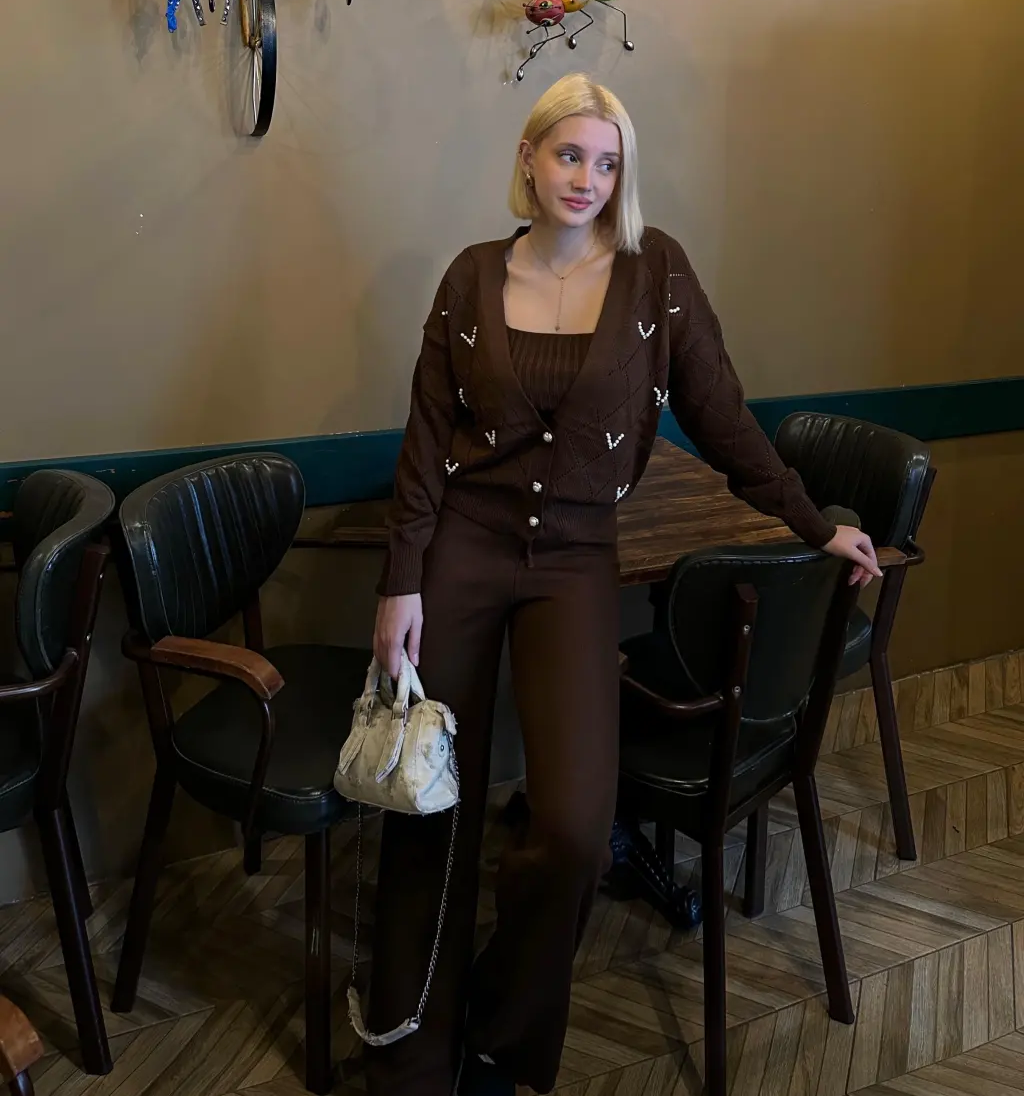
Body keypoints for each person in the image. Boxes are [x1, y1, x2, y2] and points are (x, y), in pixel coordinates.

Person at [365, 74, 880, 1096]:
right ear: (527, 157)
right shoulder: (469, 276)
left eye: (608, 163)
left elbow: (720, 412)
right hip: (462, 546)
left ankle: (497, 1027)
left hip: (573, 560)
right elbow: (426, 439)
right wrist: (400, 583)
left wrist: (813, 521)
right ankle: (410, 1050)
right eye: (570, 155)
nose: (588, 179)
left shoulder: (657, 276)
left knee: (571, 827)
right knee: (429, 803)